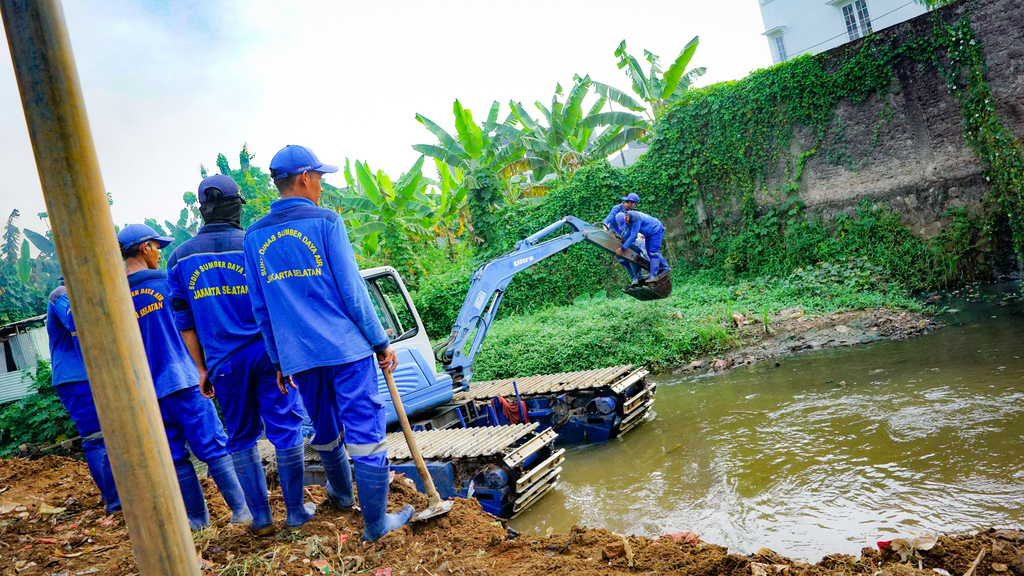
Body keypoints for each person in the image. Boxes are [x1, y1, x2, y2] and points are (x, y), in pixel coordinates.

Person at [242, 144, 413, 542]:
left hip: (299, 357)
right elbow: (353, 290)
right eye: (319, 178)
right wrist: (380, 341)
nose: (321, 186)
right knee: (364, 432)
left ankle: (341, 494)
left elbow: (260, 306)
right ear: (304, 178)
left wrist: (279, 360)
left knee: (324, 427)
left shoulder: (254, 236)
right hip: (346, 349)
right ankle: (375, 524)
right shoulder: (326, 221)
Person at [166, 175, 313, 534]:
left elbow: (185, 322)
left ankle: (260, 518)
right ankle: (295, 513)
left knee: (241, 436)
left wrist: (201, 369)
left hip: (223, 364)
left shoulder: (179, 258)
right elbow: (280, 300)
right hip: (268, 355)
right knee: (286, 428)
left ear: (203, 210)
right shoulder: (253, 243)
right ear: (236, 206)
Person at [118, 223, 252, 531]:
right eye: (156, 247)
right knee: (213, 446)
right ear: (144, 248)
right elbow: (193, 324)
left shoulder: (115, 296)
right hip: (183, 379)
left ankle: (197, 521)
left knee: (175, 456)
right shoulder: (167, 282)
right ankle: (241, 510)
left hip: (145, 391)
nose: (159, 254)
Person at [46, 280, 121, 513]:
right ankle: (115, 501)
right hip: (76, 378)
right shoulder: (61, 295)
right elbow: (78, 323)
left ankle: (120, 494)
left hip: (91, 375)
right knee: (96, 437)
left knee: (111, 434)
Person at [617, 210, 670, 280]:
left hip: (656, 230)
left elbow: (633, 236)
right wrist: (622, 238)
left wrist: (622, 248)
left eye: (625, 223)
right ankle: (664, 268)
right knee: (649, 252)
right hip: (649, 233)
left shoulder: (635, 219)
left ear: (626, 217)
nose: (626, 224)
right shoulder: (628, 219)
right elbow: (629, 231)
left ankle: (655, 275)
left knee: (653, 252)